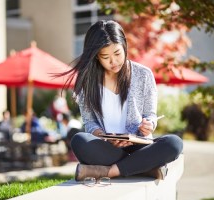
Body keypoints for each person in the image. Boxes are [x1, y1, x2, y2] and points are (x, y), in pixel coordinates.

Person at [58, 20, 183, 181]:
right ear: (96, 56)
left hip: (139, 146)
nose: (113, 61)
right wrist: (103, 136)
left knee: (174, 143)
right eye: (105, 57)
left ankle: (109, 171)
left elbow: (150, 114)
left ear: (124, 46)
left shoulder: (143, 75)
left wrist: (149, 124)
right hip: (108, 148)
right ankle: (144, 168)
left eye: (117, 53)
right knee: (79, 141)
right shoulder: (86, 83)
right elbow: (89, 123)